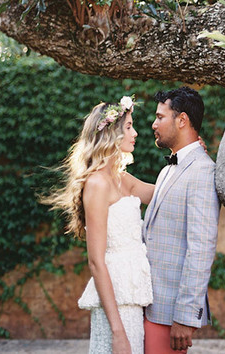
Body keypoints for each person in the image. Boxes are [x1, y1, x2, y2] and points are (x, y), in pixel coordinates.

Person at [43, 96, 155, 354]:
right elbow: (96, 262)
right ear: (111, 134)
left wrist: (183, 160)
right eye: (129, 127)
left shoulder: (122, 178)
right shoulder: (96, 184)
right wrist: (118, 332)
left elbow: (162, 194)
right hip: (114, 303)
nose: (135, 133)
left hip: (133, 298)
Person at [143, 86, 220, 354]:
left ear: (182, 120)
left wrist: (185, 317)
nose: (154, 124)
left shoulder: (203, 171)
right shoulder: (167, 170)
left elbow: (201, 248)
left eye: (160, 117)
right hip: (148, 304)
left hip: (170, 313)